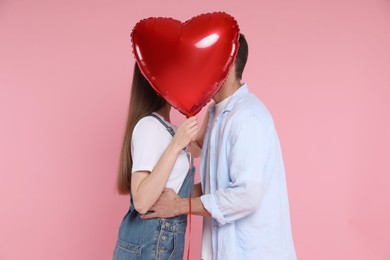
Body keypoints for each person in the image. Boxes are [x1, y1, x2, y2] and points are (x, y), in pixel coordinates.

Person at [141, 34, 297, 260]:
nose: (201, 68)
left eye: (208, 59)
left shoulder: (247, 117)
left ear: (228, 63)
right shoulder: (218, 114)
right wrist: (169, 193)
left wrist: (179, 205)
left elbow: (246, 195)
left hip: (253, 253)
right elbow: (217, 180)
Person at [113, 63, 200, 260]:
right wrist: (176, 145)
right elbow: (142, 202)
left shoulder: (166, 129)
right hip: (151, 244)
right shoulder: (149, 127)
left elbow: (172, 188)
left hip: (163, 243)